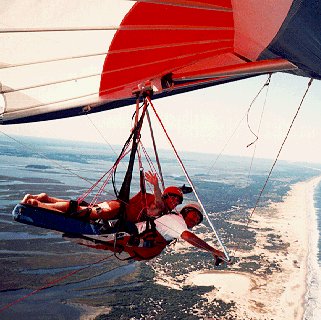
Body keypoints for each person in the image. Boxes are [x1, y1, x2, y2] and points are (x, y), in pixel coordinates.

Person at [21, 171, 183, 223]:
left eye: (178, 201)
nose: (175, 202)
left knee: (85, 207)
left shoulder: (165, 211)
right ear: (165, 195)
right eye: (173, 198)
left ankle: (46, 198)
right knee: (83, 212)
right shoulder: (159, 206)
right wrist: (155, 185)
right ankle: (37, 204)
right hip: (117, 209)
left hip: (116, 208)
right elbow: (159, 204)